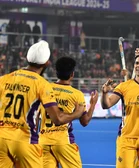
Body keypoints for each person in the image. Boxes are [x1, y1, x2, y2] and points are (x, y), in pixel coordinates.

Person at [0, 40, 85, 168]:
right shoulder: (42, 84)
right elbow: (57, 119)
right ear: (46, 63)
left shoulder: (4, 78)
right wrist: (77, 113)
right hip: (25, 141)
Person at [39, 56, 99, 168]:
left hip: (43, 141)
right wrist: (93, 104)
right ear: (72, 74)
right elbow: (84, 122)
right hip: (63, 142)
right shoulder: (76, 94)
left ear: (56, 72)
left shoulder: (45, 89)